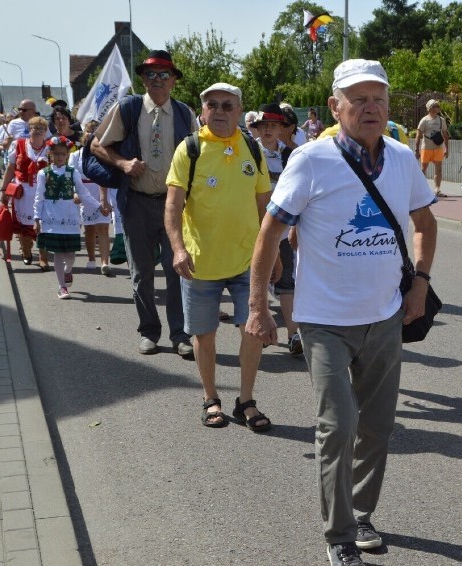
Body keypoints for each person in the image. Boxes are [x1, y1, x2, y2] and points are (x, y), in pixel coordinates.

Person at [245, 59, 437, 566]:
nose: (370, 108)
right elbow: (269, 235)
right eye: (358, 99)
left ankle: (364, 514)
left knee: (377, 425)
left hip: (385, 317)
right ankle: (340, 535)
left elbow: (425, 222)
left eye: (379, 98)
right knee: (339, 424)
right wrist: (258, 306)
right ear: (336, 107)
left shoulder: (401, 158)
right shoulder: (310, 160)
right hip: (324, 320)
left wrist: (420, 283)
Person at [164, 82, 272, 432]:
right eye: (213, 105)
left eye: (228, 106)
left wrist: (274, 253)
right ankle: (211, 398)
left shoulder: (253, 149)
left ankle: (246, 400)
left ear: (240, 112)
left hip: (247, 262)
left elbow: (264, 207)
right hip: (200, 265)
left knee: (252, 331)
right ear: (203, 111)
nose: (221, 111)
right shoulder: (190, 149)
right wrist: (178, 249)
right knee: (204, 335)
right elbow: (173, 205)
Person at [91, 49, 197, 359]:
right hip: (136, 202)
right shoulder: (129, 108)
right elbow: (97, 144)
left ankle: (180, 334)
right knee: (141, 273)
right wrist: (123, 164)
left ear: (174, 80)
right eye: (150, 74)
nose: (157, 80)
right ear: (143, 79)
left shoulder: (184, 113)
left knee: (178, 269)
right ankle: (149, 331)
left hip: (173, 206)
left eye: (164, 74)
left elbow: (198, 157)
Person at [33, 136, 109, 299]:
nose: (60, 157)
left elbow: (83, 193)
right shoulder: (43, 173)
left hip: (69, 216)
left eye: (63, 154)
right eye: (56, 154)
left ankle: (68, 271)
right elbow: (39, 197)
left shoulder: (72, 172)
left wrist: (99, 206)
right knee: (59, 253)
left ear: (67, 155)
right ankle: (62, 286)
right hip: (52, 216)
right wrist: (36, 218)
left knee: (71, 255)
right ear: (50, 154)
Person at [252, 102, 301, 355]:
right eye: (264, 126)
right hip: (251, 228)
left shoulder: (291, 155)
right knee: (252, 279)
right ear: (257, 129)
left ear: (282, 128)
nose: (269, 130)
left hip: (281, 229)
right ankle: (257, 328)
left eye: (274, 125)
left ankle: (293, 335)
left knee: (286, 281)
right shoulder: (248, 153)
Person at [1, 116, 51, 268]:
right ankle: (27, 251)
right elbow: (10, 168)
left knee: (43, 225)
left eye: (41, 129)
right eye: (34, 128)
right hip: (22, 191)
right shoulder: (18, 144)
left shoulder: (50, 148)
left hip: (43, 191)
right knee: (23, 224)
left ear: (45, 132)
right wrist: (4, 190)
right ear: (29, 130)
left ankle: (43, 257)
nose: (37, 131)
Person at [69, 120, 112, 274]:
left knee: (104, 226)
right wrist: (75, 191)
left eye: (96, 130)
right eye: (89, 130)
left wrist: (105, 198)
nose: (92, 133)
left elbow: (107, 176)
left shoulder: (104, 154)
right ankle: (92, 258)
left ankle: (104, 262)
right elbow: (71, 175)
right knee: (89, 229)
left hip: (101, 189)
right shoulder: (75, 155)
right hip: (83, 192)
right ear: (83, 133)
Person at [415, 99, 449, 198]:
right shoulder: (424, 120)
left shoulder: (441, 120)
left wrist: (447, 149)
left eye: (438, 106)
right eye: (436, 106)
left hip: (438, 147)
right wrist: (417, 150)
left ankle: (437, 189)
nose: (438, 107)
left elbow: (445, 135)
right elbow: (418, 135)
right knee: (423, 169)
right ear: (430, 108)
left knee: (438, 169)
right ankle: (421, 189)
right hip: (426, 148)